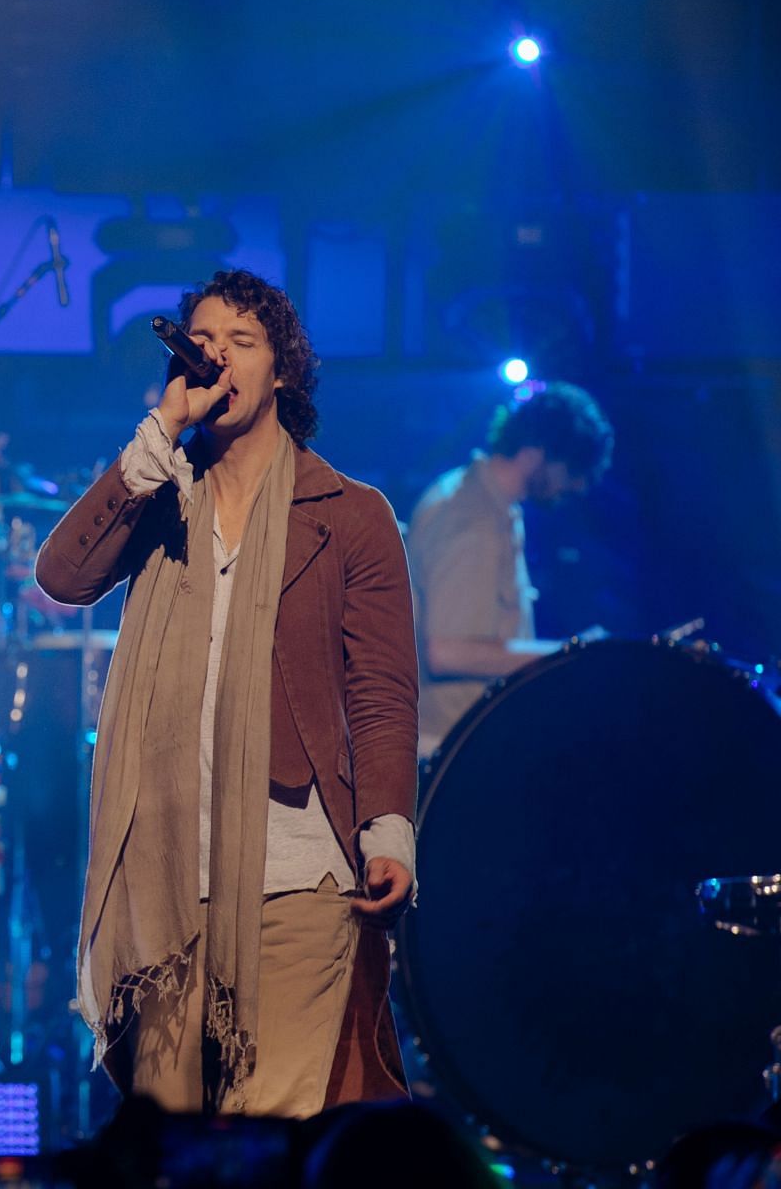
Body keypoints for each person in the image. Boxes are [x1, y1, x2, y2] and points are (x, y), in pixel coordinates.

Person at [35, 269, 418, 1118]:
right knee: (173, 1144)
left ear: (281, 370)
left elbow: (382, 694)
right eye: (203, 343)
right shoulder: (158, 491)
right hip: (164, 879)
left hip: (293, 872)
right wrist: (160, 433)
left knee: (274, 1131)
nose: (217, 357)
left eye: (241, 342)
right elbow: (63, 576)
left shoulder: (350, 515)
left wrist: (389, 831)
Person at [407, 382, 614, 756]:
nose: (578, 486)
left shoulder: (491, 506)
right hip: (450, 750)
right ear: (537, 454)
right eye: (573, 470)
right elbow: (444, 652)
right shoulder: (472, 519)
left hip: (468, 743)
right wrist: (569, 654)